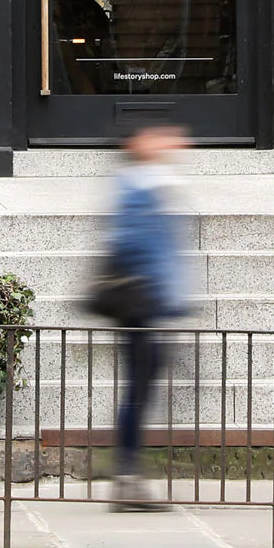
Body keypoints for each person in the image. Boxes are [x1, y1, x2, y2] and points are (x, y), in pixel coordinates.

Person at [104, 117, 189, 511]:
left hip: (147, 304)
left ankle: (127, 476)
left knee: (139, 388)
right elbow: (138, 247)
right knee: (138, 390)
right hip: (141, 306)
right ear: (140, 142)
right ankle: (126, 476)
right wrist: (164, 300)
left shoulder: (148, 182)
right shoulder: (141, 186)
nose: (173, 140)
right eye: (162, 135)